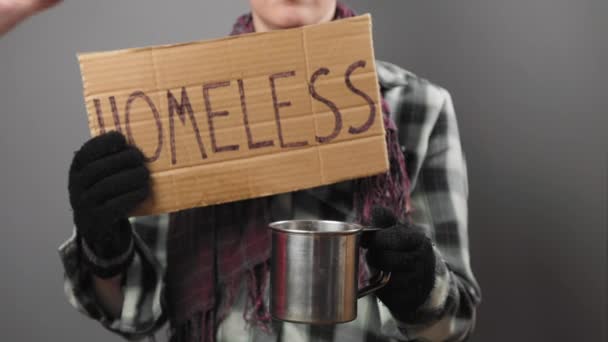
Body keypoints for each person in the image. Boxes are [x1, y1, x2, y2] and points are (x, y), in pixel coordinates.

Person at [59, 1, 481, 341]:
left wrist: (421, 287)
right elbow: (137, 314)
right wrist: (104, 247)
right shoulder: (172, 106)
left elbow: (451, 326)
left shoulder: (420, 107)